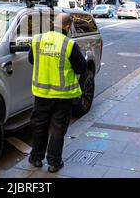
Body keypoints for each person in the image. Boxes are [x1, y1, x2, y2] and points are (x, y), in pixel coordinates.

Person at [28, 13, 87, 173]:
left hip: (41, 92)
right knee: (58, 128)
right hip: (63, 95)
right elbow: (82, 68)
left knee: (39, 125)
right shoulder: (68, 44)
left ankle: (36, 158)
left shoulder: (38, 39)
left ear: (54, 23)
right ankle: (54, 162)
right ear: (67, 26)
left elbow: (32, 60)